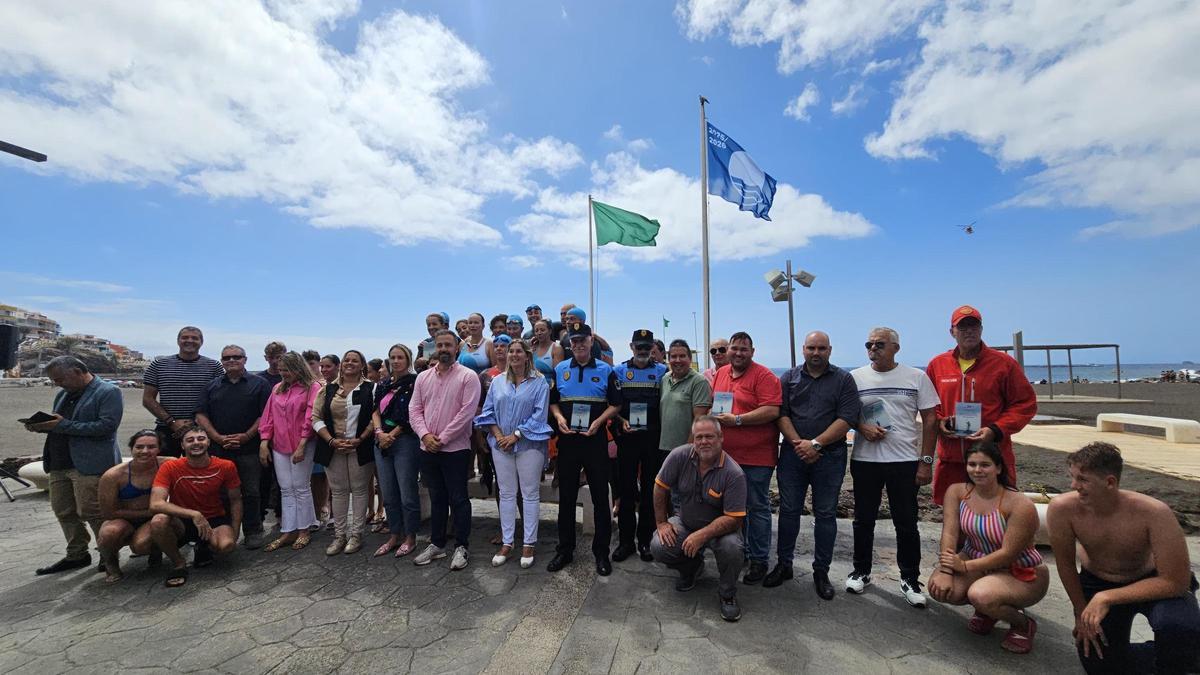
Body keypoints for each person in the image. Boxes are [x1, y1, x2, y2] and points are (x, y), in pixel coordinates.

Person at [1046, 442, 1200, 673]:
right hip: (1097, 579)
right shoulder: (1062, 509)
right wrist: (1081, 611)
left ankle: (1183, 653)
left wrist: (1106, 597)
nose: (1073, 486)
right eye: (1073, 477)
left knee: (1177, 628)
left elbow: (1175, 581)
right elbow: (1066, 564)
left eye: (1083, 480)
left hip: (1152, 581)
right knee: (1099, 663)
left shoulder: (1153, 512)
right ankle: (1169, 654)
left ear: (1110, 482)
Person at [847, 327, 940, 606]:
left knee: (907, 522)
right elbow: (845, 415)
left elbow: (931, 420)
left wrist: (926, 462)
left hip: (903, 461)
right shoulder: (855, 377)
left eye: (880, 344)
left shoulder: (916, 377)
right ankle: (861, 571)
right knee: (863, 520)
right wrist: (862, 427)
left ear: (896, 348)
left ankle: (910, 578)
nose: (873, 348)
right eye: (869, 344)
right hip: (865, 460)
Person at [926, 442, 1048, 654]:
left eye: (985, 465)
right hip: (975, 560)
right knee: (941, 589)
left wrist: (963, 566)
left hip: (1018, 571)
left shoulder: (1018, 504)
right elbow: (950, 533)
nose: (977, 470)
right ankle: (989, 612)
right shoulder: (957, 492)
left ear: (999, 468)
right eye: (972, 464)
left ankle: (1022, 624)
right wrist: (946, 571)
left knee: (981, 595)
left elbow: (1008, 553)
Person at [770, 331, 861, 599]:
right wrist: (800, 444)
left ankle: (821, 571)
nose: (816, 352)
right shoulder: (789, 377)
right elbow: (780, 413)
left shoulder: (844, 379)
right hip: (792, 454)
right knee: (788, 511)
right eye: (811, 348)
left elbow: (847, 418)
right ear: (803, 350)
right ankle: (784, 564)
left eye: (821, 348)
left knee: (825, 514)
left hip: (830, 457)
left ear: (830, 350)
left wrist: (816, 444)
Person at [925, 305, 1037, 505]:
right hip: (952, 460)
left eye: (974, 326)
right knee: (953, 520)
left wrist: (996, 430)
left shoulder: (1004, 364)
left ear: (981, 329)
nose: (969, 331)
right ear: (952, 332)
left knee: (995, 517)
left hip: (991, 459)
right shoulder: (937, 364)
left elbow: (1025, 404)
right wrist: (940, 421)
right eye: (963, 327)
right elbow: (930, 405)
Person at [25, 356, 123, 575]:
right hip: (59, 461)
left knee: (93, 512)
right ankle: (77, 554)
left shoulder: (108, 392)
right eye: (55, 380)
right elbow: (60, 425)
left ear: (78, 371)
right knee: (63, 510)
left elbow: (106, 426)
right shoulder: (63, 394)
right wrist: (43, 426)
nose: (58, 384)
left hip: (90, 462)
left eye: (61, 379)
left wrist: (62, 425)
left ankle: (107, 554)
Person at [651, 416, 747, 622]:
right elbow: (660, 487)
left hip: (722, 531)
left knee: (733, 548)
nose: (704, 441)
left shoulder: (734, 473)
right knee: (659, 545)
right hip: (685, 522)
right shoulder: (679, 456)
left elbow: (734, 520)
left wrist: (701, 536)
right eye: (699, 437)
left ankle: (727, 594)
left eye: (709, 436)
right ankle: (691, 569)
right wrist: (662, 522)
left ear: (721, 438)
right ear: (693, 440)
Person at [548, 322, 621, 575]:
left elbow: (616, 404)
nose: (578, 344)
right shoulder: (560, 369)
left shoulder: (606, 370)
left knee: (601, 498)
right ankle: (564, 550)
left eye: (582, 340)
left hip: (595, 441)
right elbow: (554, 403)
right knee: (566, 498)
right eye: (573, 340)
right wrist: (558, 418)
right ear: (569, 344)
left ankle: (601, 553)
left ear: (591, 341)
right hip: (568, 441)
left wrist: (600, 421)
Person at [709, 332, 781, 585]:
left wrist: (738, 420)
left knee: (757, 508)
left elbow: (772, 410)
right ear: (728, 350)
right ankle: (739, 553)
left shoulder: (764, 376)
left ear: (753, 351)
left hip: (757, 457)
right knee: (732, 508)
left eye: (744, 349)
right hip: (726, 456)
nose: (738, 353)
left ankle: (759, 559)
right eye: (734, 349)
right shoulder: (721, 373)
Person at [474, 339, 552, 568]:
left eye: (519, 351)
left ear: (528, 356)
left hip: (529, 444)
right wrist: (499, 436)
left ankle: (529, 542)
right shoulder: (497, 382)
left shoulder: (539, 382)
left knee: (529, 494)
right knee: (506, 493)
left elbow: (539, 415)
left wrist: (516, 435)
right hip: (501, 445)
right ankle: (507, 542)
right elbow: (488, 411)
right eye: (511, 351)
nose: (514, 355)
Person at [410, 330, 482, 570]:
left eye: (448, 345)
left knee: (459, 499)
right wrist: (425, 435)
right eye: (439, 345)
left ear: (457, 349)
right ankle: (437, 544)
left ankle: (462, 546)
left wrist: (442, 438)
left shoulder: (468, 377)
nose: (443, 349)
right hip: (427, 448)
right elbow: (415, 410)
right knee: (437, 498)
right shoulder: (422, 378)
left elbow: (467, 413)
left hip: (455, 449)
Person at [194, 344, 271, 549]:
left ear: (245, 359)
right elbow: (201, 414)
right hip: (220, 450)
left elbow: (265, 414)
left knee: (252, 491)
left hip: (249, 449)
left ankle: (254, 530)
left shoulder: (260, 384)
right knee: (223, 493)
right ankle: (226, 530)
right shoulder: (212, 386)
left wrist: (246, 436)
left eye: (236, 357)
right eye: (226, 358)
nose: (231, 361)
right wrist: (217, 438)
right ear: (222, 361)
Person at [149, 425, 242, 587]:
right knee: (158, 521)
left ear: (208, 442)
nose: (196, 443)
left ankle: (203, 546)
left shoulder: (226, 466)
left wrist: (235, 530)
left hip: (214, 518)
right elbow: (156, 503)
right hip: (182, 521)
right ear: (182, 445)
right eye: (190, 440)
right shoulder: (170, 467)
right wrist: (194, 514)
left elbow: (235, 499)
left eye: (201, 438)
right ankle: (178, 563)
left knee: (226, 546)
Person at [611, 329, 669, 563]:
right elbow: (612, 405)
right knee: (626, 491)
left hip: (652, 441)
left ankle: (645, 540)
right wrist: (621, 421)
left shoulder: (663, 372)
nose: (643, 351)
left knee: (649, 491)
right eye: (639, 347)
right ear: (631, 347)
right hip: (627, 439)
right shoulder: (619, 371)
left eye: (647, 347)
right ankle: (626, 542)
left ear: (652, 348)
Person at [311, 350, 376, 555]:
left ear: (362, 364)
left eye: (354, 360)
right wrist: (331, 440)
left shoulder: (371, 389)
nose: (349, 363)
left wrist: (360, 439)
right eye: (346, 360)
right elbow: (316, 417)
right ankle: (339, 536)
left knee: (359, 490)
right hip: (333, 447)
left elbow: (376, 417)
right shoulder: (327, 389)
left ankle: (356, 535)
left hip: (360, 446)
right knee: (338, 491)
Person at [258, 352, 322, 551]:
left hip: (302, 443)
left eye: (287, 370)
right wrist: (264, 441)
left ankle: (304, 530)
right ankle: (288, 530)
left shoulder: (313, 387)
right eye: (281, 370)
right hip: (280, 445)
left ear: (298, 369)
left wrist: (303, 444)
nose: (283, 374)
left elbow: (311, 416)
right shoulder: (277, 388)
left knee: (301, 487)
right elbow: (268, 416)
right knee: (286, 488)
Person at [96, 430, 168, 582]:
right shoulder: (113, 475)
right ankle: (110, 562)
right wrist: (149, 512)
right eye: (139, 447)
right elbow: (109, 513)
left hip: (153, 517)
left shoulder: (168, 464)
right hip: (124, 518)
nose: (145, 451)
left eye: (151, 447)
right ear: (131, 448)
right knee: (109, 533)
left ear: (159, 449)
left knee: (141, 545)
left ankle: (156, 552)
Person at [371, 344, 421, 558]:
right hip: (381, 441)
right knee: (389, 493)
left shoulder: (415, 383)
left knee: (407, 492)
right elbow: (375, 410)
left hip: (405, 441)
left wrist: (393, 435)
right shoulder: (382, 384)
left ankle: (410, 537)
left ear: (408, 359)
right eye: (392, 357)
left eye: (400, 357)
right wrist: (380, 432)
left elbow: (415, 412)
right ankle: (394, 534)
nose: (396, 361)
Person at [142, 326, 224, 457]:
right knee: (164, 470)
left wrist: (198, 422)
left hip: (202, 429)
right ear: (178, 341)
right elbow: (148, 399)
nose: (189, 341)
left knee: (201, 471)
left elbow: (219, 400)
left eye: (194, 338)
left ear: (201, 342)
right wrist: (172, 422)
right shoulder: (158, 365)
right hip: (167, 428)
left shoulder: (214, 366)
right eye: (185, 337)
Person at [659, 339, 713, 456]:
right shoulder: (665, 379)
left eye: (682, 356)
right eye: (674, 356)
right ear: (669, 360)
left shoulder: (699, 382)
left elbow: (699, 419)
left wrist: (688, 449)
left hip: (686, 451)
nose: (678, 360)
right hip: (664, 448)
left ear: (690, 359)